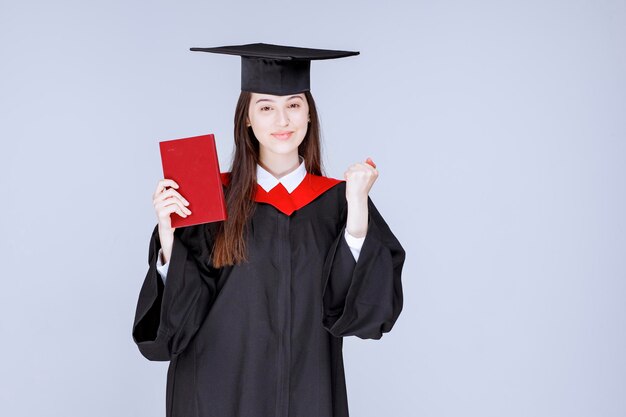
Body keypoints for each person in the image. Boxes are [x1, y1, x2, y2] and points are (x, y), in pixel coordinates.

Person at [132, 43, 406, 417]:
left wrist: (357, 210)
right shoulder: (210, 195)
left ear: (309, 114)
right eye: (266, 108)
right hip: (216, 392)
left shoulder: (336, 201)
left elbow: (356, 313)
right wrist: (168, 238)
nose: (282, 121)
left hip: (305, 390)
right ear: (247, 118)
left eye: (293, 105)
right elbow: (175, 326)